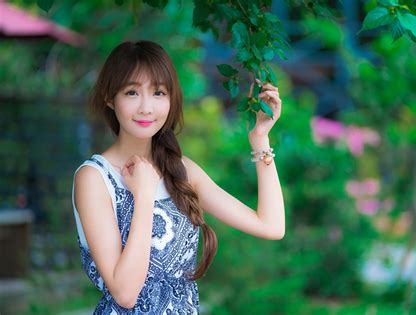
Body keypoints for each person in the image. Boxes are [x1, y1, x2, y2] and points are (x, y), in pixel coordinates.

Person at [72, 40, 285, 314]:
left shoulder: (181, 170)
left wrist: (260, 139)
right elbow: (125, 293)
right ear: (110, 98)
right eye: (132, 92)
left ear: (171, 99)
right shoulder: (95, 178)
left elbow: (271, 226)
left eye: (159, 92)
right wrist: (145, 195)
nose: (146, 107)